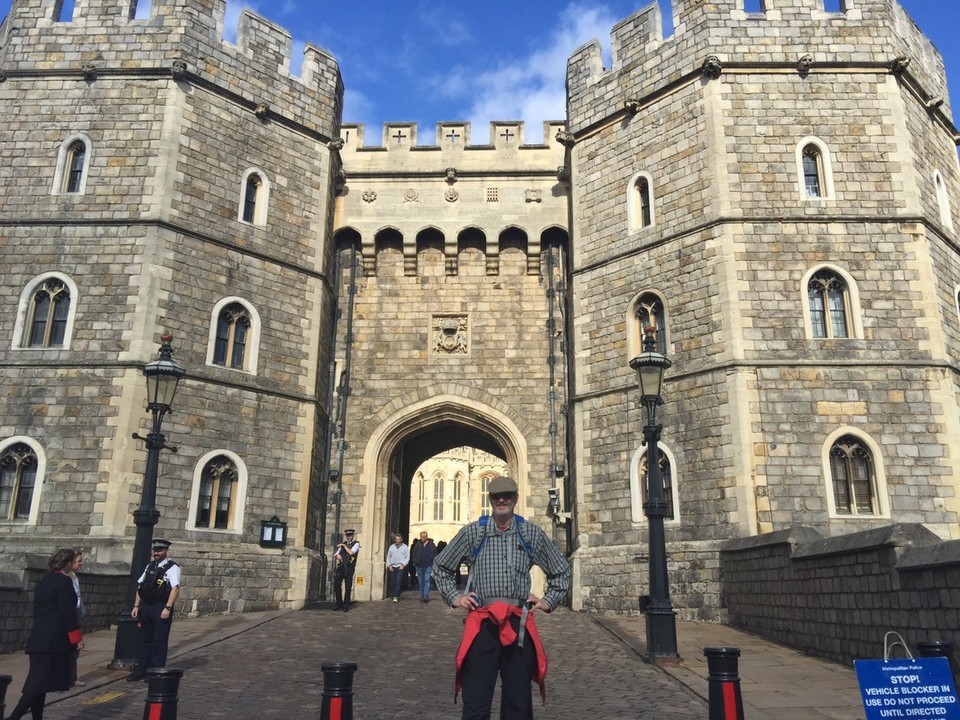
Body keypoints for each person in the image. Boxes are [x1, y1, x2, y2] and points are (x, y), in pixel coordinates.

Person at [433, 476, 570, 720]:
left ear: (515, 498)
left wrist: (547, 601)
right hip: (482, 624)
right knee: (476, 697)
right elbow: (441, 566)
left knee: (518, 701)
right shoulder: (474, 532)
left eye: (507, 495)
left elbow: (561, 570)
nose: (502, 500)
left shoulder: (530, 534)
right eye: (496, 496)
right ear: (491, 500)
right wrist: (455, 597)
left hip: (517, 624)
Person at [6, 548, 84, 720]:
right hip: (53, 641)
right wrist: (77, 638)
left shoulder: (45, 580)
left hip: (40, 637)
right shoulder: (63, 581)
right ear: (68, 563)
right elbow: (68, 612)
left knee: (41, 685)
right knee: (35, 686)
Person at [126, 539, 181, 682]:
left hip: (160, 606)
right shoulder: (150, 566)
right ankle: (142, 669)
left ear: (166, 551)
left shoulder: (172, 568)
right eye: (155, 550)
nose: (156, 553)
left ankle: (155, 671)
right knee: (144, 639)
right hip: (147, 606)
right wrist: (136, 606)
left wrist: (167, 608)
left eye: (160, 550)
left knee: (159, 640)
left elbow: (175, 588)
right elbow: (140, 587)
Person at [64, 550, 86, 688]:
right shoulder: (65, 578)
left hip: (76, 613)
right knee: (71, 647)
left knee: (75, 649)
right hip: (70, 615)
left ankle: (72, 678)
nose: (81, 564)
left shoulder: (74, 576)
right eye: (78, 561)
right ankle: (68, 678)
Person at [333, 529, 360, 612]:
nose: (348, 537)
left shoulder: (356, 544)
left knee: (348, 586)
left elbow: (351, 552)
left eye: (350, 535)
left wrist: (344, 546)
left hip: (349, 567)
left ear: (353, 536)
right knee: (337, 584)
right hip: (341, 566)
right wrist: (337, 556)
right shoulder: (343, 544)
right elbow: (336, 553)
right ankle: (339, 603)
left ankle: (346, 605)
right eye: (347, 535)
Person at [411, 531, 436, 603]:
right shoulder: (418, 544)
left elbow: (435, 554)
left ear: (426, 537)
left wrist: (433, 562)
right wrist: (414, 562)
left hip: (428, 565)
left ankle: (426, 596)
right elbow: (414, 553)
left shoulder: (431, 544)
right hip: (419, 565)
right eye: (421, 537)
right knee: (421, 581)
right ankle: (422, 595)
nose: (422, 538)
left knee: (427, 580)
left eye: (423, 537)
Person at [385, 533, 409, 602]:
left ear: (401, 540)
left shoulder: (405, 547)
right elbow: (388, 556)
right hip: (392, 566)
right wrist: (389, 565)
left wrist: (403, 565)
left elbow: (407, 557)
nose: (397, 541)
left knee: (398, 581)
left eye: (399, 539)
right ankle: (393, 594)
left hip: (400, 566)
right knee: (393, 582)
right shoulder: (391, 547)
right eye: (396, 539)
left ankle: (396, 596)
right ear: (395, 540)